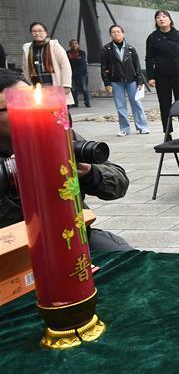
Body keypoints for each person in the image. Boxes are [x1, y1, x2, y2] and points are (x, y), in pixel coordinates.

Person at [0, 69, 132, 251]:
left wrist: (89, 173)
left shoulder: (56, 134)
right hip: (13, 249)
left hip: (73, 236)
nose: (28, 112)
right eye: (16, 106)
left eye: (30, 103)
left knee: (127, 256)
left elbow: (119, 183)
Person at [146, 9, 179, 138]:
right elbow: (149, 58)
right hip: (161, 76)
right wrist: (150, 77)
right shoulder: (152, 38)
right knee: (164, 104)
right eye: (158, 17)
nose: (161, 19)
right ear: (156, 21)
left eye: (164, 16)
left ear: (170, 19)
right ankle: (167, 132)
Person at [101, 24, 150, 137]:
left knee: (136, 103)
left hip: (131, 80)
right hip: (115, 80)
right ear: (110, 35)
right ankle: (124, 129)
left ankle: (142, 127)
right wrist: (107, 83)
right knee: (120, 105)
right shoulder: (107, 49)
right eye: (113, 32)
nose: (116, 34)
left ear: (123, 33)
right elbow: (104, 67)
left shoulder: (130, 49)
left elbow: (137, 66)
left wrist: (140, 81)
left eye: (118, 31)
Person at [22, 22, 73, 106]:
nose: (37, 33)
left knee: (58, 110)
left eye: (40, 31)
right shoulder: (27, 48)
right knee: (41, 109)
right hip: (37, 86)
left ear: (46, 32)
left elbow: (65, 66)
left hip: (53, 84)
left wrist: (66, 85)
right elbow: (25, 69)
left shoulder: (54, 46)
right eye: (34, 31)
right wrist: (28, 86)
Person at [67, 39, 91, 108]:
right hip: (72, 73)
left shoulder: (82, 52)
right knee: (73, 89)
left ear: (78, 45)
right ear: (70, 45)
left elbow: (80, 62)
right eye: (72, 43)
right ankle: (75, 103)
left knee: (84, 88)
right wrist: (76, 59)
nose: (74, 45)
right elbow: (68, 62)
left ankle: (87, 102)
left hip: (82, 73)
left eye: (75, 43)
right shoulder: (67, 53)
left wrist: (73, 60)